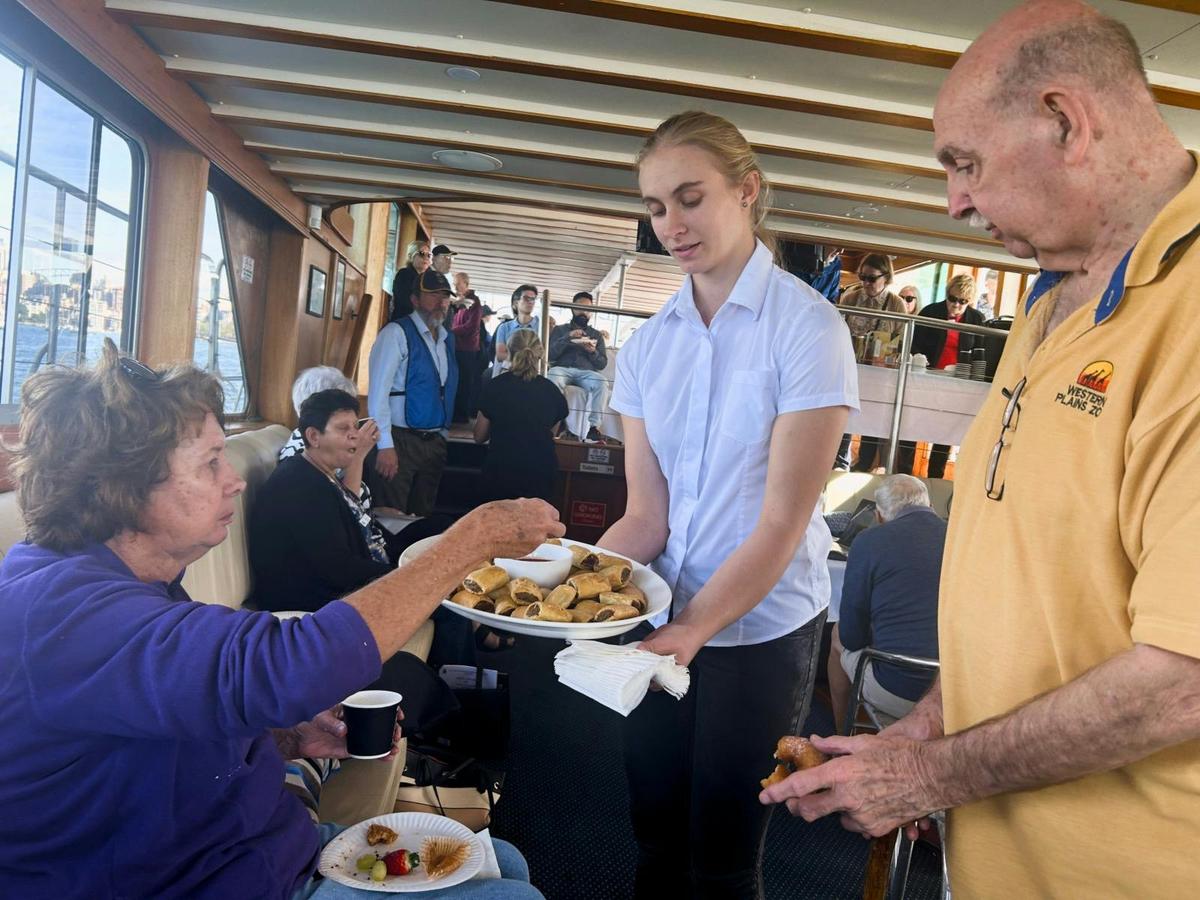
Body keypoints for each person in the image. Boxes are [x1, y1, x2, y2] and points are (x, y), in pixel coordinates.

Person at [760, 3, 1200, 896]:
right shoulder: (1050, 299)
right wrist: (928, 731)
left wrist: (931, 776)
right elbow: (1027, 599)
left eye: (965, 163)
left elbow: (1182, 681)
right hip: (998, 858)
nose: (954, 201)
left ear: (1066, 121)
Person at [0, 340, 563, 898]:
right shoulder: (59, 614)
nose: (235, 480)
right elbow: (292, 662)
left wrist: (284, 736)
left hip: (255, 849)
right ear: (121, 489)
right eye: (210, 463)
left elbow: (160, 719)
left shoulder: (130, 580)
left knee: (505, 862)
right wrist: (470, 541)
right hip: (200, 880)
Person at [600, 110, 857, 898]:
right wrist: (564, 589)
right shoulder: (647, 347)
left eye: (690, 198)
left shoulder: (808, 328)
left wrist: (693, 630)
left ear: (747, 190)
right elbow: (646, 517)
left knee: (723, 853)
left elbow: (781, 523)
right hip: (663, 617)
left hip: (763, 629)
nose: (671, 225)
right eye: (656, 207)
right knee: (653, 831)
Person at [827, 475, 944, 729]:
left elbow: (851, 637)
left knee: (837, 633)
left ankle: (840, 731)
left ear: (879, 517)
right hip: (952, 691)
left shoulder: (868, 541)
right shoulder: (959, 537)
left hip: (898, 690)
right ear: (931, 506)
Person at [367, 270, 459, 516]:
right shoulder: (396, 333)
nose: (441, 302)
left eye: (445, 296)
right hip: (400, 440)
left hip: (434, 442)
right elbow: (378, 394)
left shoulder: (447, 339)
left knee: (423, 517)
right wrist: (385, 445)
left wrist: (443, 435)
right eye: (433, 295)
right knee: (390, 517)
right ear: (415, 299)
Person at [475, 329, 568, 504]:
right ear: (540, 354)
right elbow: (552, 433)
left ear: (509, 352)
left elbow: (479, 437)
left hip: (500, 472)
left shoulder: (495, 387)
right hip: (540, 475)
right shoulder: (552, 391)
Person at [911, 273, 986, 477]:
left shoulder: (977, 319)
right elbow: (914, 343)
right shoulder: (930, 312)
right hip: (927, 378)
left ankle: (936, 475)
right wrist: (920, 360)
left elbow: (980, 352)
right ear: (947, 294)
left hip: (956, 383)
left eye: (963, 301)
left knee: (945, 430)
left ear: (970, 301)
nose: (956, 305)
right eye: (952, 299)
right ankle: (905, 471)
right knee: (914, 424)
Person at [838, 255, 906, 473]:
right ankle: (840, 463)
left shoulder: (896, 304)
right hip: (850, 369)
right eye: (863, 277)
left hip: (879, 374)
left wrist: (888, 358)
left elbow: (902, 341)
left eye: (871, 278)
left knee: (872, 419)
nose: (866, 283)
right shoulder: (850, 298)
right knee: (844, 417)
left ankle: (864, 465)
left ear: (886, 277)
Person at [547, 291, 614, 444]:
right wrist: (568, 337)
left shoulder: (596, 335)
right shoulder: (559, 330)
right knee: (553, 375)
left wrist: (593, 352)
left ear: (592, 312)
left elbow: (602, 364)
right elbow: (550, 355)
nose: (584, 312)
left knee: (601, 382)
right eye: (580, 308)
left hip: (587, 372)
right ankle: (553, 421)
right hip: (562, 368)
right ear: (572, 308)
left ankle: (593, 427)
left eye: (588, 309)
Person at [450, 272, 484, 423]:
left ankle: (462, 415)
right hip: (456, 347)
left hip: (467, 350)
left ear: (466, 283)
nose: (456, 287)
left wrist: (451, 331)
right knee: (455, 381)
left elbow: (472, 327)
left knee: (464, 383)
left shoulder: (473, 302)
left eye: (458, 283)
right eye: (454, 284)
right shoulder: (458, 302)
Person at [492, 284, 539, 373]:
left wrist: (513, 356)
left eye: (533, 299)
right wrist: (527, 358)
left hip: (532, 372)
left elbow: (542, 354)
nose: (530, 302)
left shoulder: (540, 327)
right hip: (508, 371)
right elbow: (500, 355)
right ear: (515, 302)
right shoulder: (504, 327)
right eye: (526, 298)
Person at [389, 239, 432, 322]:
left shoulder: (430, 279)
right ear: (410, 256)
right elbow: (404, 301)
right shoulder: (403, 274)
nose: (426, 258)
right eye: (421, 253)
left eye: (428, 255)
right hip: (403, 321)